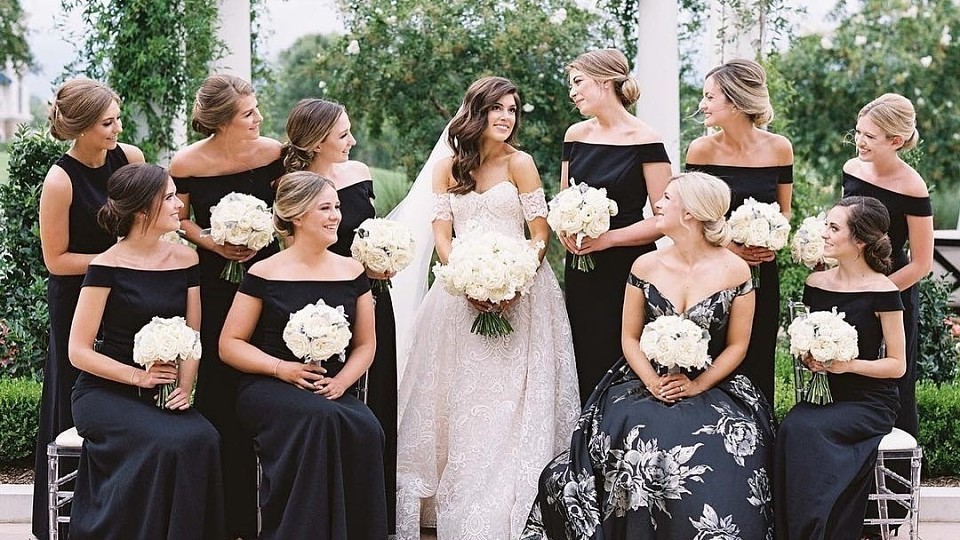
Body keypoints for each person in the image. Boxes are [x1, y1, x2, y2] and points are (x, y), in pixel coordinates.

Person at [524, 172, 775, 539]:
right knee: (642, 433)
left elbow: (737, 345)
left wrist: (697, 385)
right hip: (643, 378)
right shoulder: (644, 265)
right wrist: (654, 382)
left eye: (667, 198)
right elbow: (629, 338)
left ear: (690, 213)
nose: (657, 203)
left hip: (713, 383)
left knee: (723, 451)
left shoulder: (736, 270)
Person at [395, 76, 580, 540]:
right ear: (477, 112)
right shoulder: (446, 168)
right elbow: (442, 235)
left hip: (522, 295)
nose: (506, 117)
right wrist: (464, 278)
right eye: (498, 108)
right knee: (460, 395)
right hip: (459, 296)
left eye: (512, 110)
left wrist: (515, 281)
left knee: (512, 397)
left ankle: (518, 500)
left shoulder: (521, 163)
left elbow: (540, 235)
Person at [219, 171, 387, 539]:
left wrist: (342, 382)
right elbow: (229, 343)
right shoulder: (264, 271)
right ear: (296, 215)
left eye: (336, 207)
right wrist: (282, 369)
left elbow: (366, 344)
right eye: (325, 208)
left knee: (368, 428)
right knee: (318, 420)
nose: (336, 216)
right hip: (269, 386)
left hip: (330, 386)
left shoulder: (352, 271)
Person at [67, 163, 223, 539]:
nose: (179, 205)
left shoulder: (186, 259)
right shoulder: (105, 265)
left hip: (162, 391)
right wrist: (138, 376)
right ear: (141, 211)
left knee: (205, 438)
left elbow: (193, 336)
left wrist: (184, 388)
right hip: (104, 393)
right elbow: (78, 351)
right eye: (168, 198)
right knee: (169, 444)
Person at [170, 73, 283, 538]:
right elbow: (179, 220)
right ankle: (223, 517)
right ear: (221, 122)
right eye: (248, 113)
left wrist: (264, 233)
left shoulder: (273, 153)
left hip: (268, 278)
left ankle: (272, 511)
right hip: (215, 282)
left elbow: (288, 212)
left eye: (256, 109)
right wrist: (214, 241)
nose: (259, 118)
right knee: (219, 386)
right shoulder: (187, 162)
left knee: (266, 378)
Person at [33, 77, 145, 540]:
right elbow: (55, 260)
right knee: (73, 393)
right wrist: (114, 259)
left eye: (117, 118)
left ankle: (129, 510)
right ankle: (71, 519)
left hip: (127, 295)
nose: (117, 128)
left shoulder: (130, 159)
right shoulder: (60, 180)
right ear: (80, 127)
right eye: (107, 123)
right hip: (77, 300)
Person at [282, 98, 398, 534]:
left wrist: (383, 258)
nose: (352, 141)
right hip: (322, 304)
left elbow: (369, 231)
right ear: (316, 142)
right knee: (329, 403)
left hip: (373, 294)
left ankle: (373, 514)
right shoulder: (293, 185)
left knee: (377, 393)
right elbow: (294, 251)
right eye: (343, 134)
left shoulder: (359, 173)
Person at [775, 196, 906, 539]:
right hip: (826, 396)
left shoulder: (884, 290)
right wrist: (809, 357)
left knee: (805, 429)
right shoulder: (816, 284)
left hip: (870, 402)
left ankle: (820, 531)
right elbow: (806, 341)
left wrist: (846, 365)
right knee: (791, 426)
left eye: (833, 228)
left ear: (859, 241)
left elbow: (897, 365)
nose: (824, 233)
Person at [561, 48, 672, 403]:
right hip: (582, 265)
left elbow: (664, 219)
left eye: (578, 82)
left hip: (629, 267)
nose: (573, 92)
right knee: (583, 349)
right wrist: (565, 231)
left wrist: (607, 239)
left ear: (605, 81)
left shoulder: (646, 140)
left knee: (623, 351)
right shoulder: (574, 135)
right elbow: (563, 200)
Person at [685, 58, 793, 406]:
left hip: (762, 272)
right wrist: (731, 246)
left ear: (734, 102)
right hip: (714, 274)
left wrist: (773, 239)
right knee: (712, 354)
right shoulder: (701, 150)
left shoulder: (780, 148)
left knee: (758, 352)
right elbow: (694, 214)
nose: (702, 105)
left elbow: (785, 209)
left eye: (709, 97)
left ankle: (760, 428)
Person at [841, 93, 933, 438]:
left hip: (893, 291)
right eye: (858, 132)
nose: (859, 141)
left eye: (869, 136)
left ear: (895, 141)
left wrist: (876, 293)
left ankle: (896, 463)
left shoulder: (913, 187)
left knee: (892, 381)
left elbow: (922, 263)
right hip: (849, 285)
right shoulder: (851, 169)